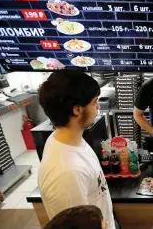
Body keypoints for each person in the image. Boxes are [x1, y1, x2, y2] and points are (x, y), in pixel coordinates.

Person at [38, 71, 116, 229]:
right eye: (94, 102)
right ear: (77, 110)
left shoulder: (69, 140)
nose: (98, 107)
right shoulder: (66, 174)